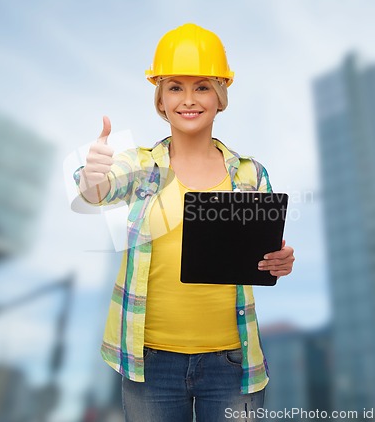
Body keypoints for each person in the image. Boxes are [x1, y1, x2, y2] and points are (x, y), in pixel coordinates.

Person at [74, 23, 295, 422]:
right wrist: (92, 177)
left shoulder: (249, 174)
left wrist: (281, 261)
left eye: (202, 87)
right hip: (150, 362)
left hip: (232, 363)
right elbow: (97, 192)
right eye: (175, 87)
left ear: (220, 96)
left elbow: (267, 253)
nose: (188, 100)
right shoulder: (140, 164)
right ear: (160, 98)